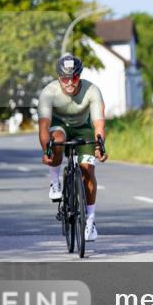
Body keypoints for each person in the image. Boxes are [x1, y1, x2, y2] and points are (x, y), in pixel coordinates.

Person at [38, 54, 108, 241]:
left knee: (88, 170)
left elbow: (99, 124)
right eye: (65, 78)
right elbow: (44, 126)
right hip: (58, 126)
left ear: (79, 76)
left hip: (82, 128)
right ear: (59, 77)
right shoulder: (49, 92)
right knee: (57, 140)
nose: (70, 82)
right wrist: (46, 151)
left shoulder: (92, 91)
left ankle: (90, 221)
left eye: (74, 77)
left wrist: (99, 146)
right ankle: (55, 181)